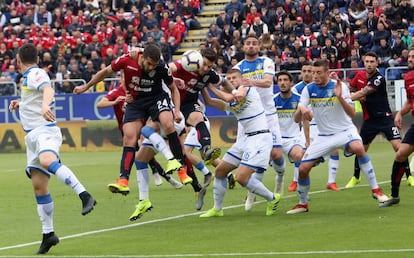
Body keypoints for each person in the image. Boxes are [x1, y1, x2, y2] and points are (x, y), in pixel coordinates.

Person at [9, 43, 96, 254]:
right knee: (39, 187)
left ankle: (85, 195)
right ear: (37, 58)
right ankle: (48, 235)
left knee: (48, 161)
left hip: (44, 132)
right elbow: (36, 96)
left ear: (18, 60)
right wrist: (21, 104)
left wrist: (45, 105)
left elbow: (47, 89)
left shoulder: (36, 73)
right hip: (33, 137)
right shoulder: (29, 77)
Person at [74, 44, 191, 195]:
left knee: (169, 124)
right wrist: (86, 87)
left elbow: (173, 89)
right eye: (149, 63)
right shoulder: (127, 60)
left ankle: (181, 170)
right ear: (142, 57)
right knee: (129, 138)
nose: (151, 67)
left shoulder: (160, 67)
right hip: (135, 102)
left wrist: (176, 110)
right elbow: (105, 71)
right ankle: (123, 180)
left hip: (156, 99)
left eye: (154, 65)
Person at [287, 60, 390, 214]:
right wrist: (302, 111)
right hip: (323, 136)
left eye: (318, 73)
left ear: (327, 73)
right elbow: (297, 118)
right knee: (302, 169)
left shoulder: (340, 86)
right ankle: (303, 204)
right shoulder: (308, 89)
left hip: (344, 131)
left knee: (358, 148)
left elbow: (352, 113)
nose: (315, 76)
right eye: (313, 73)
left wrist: (340, 97)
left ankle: (376, 190)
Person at [199, 69, 281, 218]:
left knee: (241, 178)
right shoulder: (231, 102)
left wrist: (209, 86)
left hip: (260, 138)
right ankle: (218, 209)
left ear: (241, 79)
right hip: (245, 140)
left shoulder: (246, 88)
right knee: (220, 171)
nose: (231, 80)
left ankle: (273, 198)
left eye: (234, 78)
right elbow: (210, 102)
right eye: (228, 78)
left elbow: (236, 96)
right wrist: (201, 86)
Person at [96, 80, 183, 189]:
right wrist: (114, 102)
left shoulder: (140, 90)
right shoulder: (116, 92)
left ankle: (163, 173)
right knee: (143, 157)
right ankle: (164, 176)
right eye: (124, 77)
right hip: (127, 130)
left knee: (142, 155)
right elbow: (99, 104)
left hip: (143, 126)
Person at [344, 52, 414, 188]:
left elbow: (364, 92)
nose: (369, 64)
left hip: (385, 118)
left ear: (377, 63)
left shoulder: (379, 78)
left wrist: (346, 98)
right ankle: (355, 177)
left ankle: (409, 176)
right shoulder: (359, 76)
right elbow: (351, 89)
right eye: (367, 62)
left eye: (372, 62)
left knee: (399, 148)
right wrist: (349, 92)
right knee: (360, 149)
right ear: (363, 63)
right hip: (369, 121)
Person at [232, 35, 285, 211]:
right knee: (245, 158)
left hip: (268, 115)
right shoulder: (237, 67)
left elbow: (268, 81)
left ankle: (280, 177)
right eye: (248, 43)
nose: (251, 46)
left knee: (276, 154)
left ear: (259, 46)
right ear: (243, 46)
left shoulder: (266, 61)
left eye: (254, 44)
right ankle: (252, 193)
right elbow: (234, 88)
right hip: (248, 118)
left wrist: (249, 82)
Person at [168, 48, 232, 165]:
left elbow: (224, 82)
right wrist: (172, 76)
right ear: (198, 59)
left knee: (198, 118)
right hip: (169, 104)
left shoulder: (209, 75)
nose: (206, 68)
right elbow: (169, 67)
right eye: (205, 64)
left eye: (210, 66)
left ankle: (207, 149)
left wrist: (235, 92)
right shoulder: (185, 64)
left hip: (188, 105)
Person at [292, 62, 341, 192]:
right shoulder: (297, 89)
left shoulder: (326, 86)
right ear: (301, 73)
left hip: (323, 126)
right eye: (306, 71)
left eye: (311, 71)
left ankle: (331, 181)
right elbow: (301, 116)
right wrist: (307, 139)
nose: (309, 74)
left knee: (334, 150)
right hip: (307, 126)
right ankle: (295, 180)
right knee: (300, 155)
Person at [384, 47, 414, 207]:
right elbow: (410, 102)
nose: (409, 59)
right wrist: (400, 113)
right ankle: (394, 195)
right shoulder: (408, 78)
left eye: (413, 57)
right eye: (409, 56)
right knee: (400, 155)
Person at [273, 71, 306, 195]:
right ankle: (252, 193)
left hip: (293, 138)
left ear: (291, 83)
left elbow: (305, 120)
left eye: (285, 80)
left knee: (299, 156)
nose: (282, 83)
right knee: (259, 162)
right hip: (276, 139)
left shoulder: (299, 99)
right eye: (280, 80)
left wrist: (306, 139)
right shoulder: (273, 100)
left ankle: (300, 190)